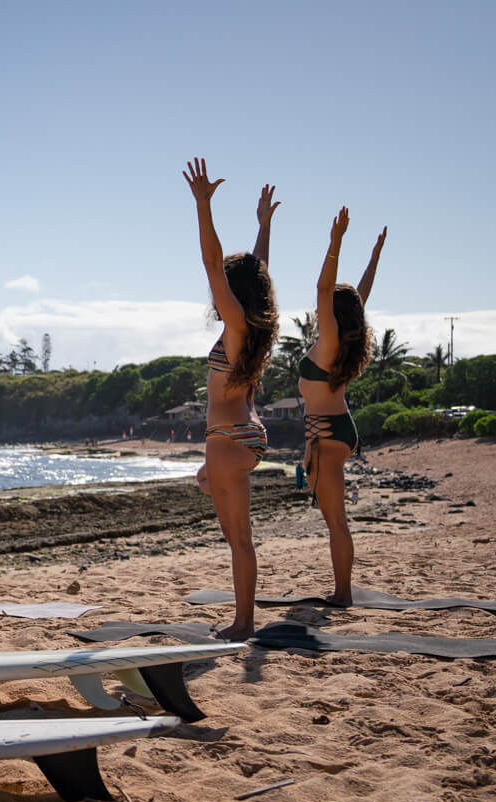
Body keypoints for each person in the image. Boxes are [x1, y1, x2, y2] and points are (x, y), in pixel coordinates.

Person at [184, 159, 280, 639]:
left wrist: (204, 208)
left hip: (227, 439)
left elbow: (210, 260)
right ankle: (242, 618)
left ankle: (243, 623)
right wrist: (263, 227)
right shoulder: (255, 329)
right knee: (229, 521)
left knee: (238, 541)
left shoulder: (238, 327)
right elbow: (255, 271)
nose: (216, 287)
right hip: (245, 435)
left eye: (225, 285)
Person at [301, 209, 385, 604]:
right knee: (334, 520)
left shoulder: (331, 341)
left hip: (326, 435)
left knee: (336, 522)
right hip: (337, 431)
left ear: (332, 315)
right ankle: (341, 589)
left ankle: (343, 594)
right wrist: (373, 258)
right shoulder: (344, 341)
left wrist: (336, 241)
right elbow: (359, 298)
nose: (318, 310)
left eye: (324, 308)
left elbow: (323, 289)